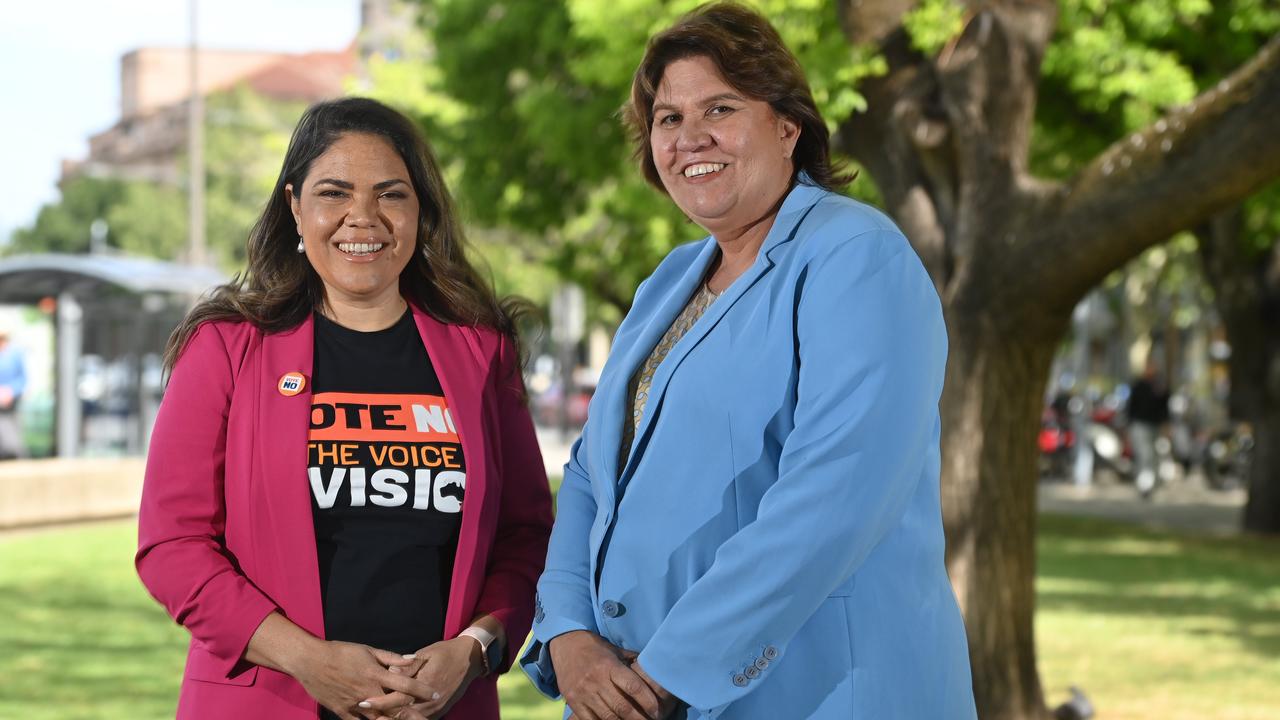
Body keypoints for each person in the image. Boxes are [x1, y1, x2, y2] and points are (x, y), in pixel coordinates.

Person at [521, 4, 977, 719]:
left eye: (720, 108)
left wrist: (668, 673)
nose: (689, 137)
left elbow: (833, 498)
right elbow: (590, 473)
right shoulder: (668, 281)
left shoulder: (855, 256)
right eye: (668, 119)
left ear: (788, 125)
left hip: (821, 693)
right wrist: (572, 637)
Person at [136, 97, 554, 720]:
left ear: (421, 213)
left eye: (391, 194)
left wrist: (474, 649)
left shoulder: (482, 352)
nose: (363, 217)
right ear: (294, 208)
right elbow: (172, 545)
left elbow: (526, 536)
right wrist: (307, 658)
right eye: (334, 192)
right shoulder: (227, 348)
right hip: (268, 703)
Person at [1127, 360, 1171, 499]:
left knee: (1154, 456)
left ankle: (1152, 483)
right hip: (1140, 425)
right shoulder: (1138, 385)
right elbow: (1131, 408)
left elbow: (1164, 408)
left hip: (1155, 426)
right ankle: (1144, 485)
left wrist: (1165, 425)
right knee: (1145, 456)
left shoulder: (1159, 386)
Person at [0, 328, 26, 460]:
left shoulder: (15, 354)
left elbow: (22, 379)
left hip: (11, 404)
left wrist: (10, 391)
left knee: (13, 442)